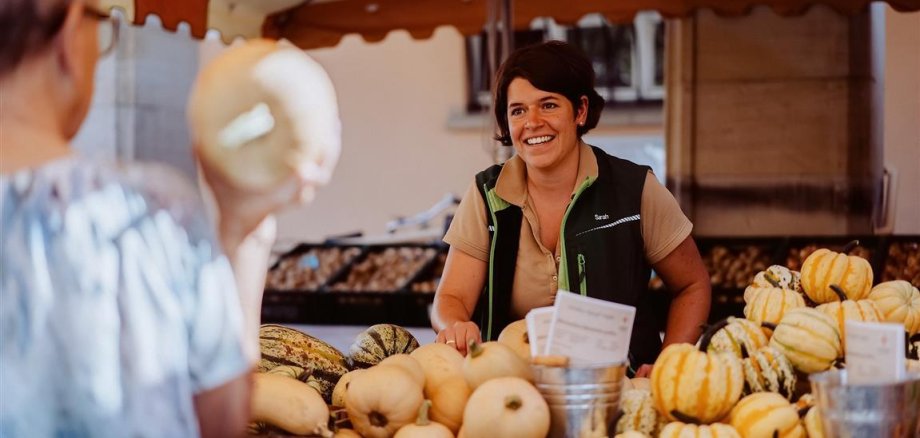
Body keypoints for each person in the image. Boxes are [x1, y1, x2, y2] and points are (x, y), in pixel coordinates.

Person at [0, 1, 334, 436]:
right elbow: (221, 421)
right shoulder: (153, 215)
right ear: (68, 32)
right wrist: (244, 226)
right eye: (100, 27)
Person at [431, 41, 710, 376]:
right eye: (518, 110)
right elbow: (451, 298)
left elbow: (691, 285)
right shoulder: (486, 195)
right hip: (510, 392)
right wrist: (456, 324)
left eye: (548, 105)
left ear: (580, 111)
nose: (532, 122)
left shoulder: (635, 190)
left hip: (618, 390)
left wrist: (669, 365)